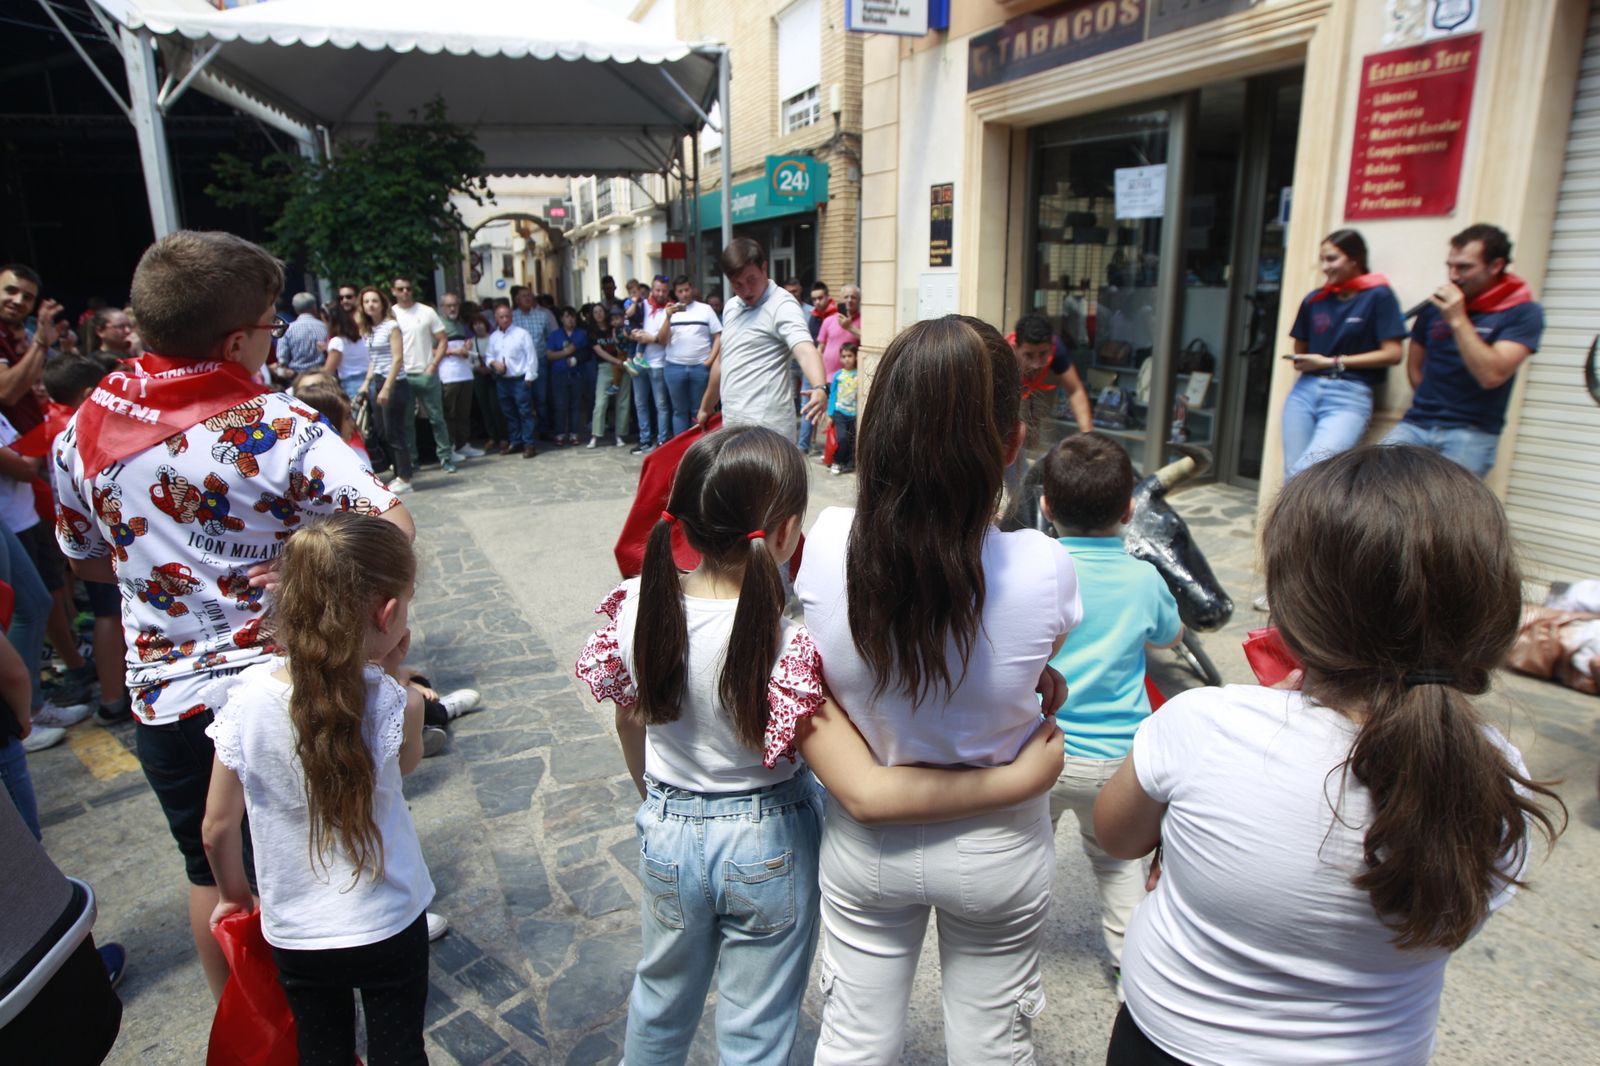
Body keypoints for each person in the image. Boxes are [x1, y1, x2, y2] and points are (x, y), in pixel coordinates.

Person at [577, 425, 1066, 1065]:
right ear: (784, 534)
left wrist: (661, 801)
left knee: (659, 999)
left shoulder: (633, 607)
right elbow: (853, 754)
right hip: (765, 844)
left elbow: (628, 722)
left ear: (685, 520)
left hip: (668, 830)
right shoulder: (787, 648)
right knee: (757, 1025)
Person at [1093, 444, 1565, 1065]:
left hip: (1172, 1042)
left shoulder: (1206, 724)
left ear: (1293, 606)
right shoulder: (1493, 773)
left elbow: (1117, 835)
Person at [51, 230, 414, 1001]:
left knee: (208, 869)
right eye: (270, 326)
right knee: (322, 856)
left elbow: (84, 560)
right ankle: (327, 1019)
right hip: (288, 687)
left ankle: (245, 1026)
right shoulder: (276, 426)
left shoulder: (82, 428)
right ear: (237, 337)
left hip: (165, 695)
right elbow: (390, 528)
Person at [794, 315, 1083, 1063]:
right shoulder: (1048, 567)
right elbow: (1028, 654)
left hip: (868, 844)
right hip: (998, 845)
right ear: (1013, 446)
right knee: (992, 1047)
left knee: (854, 1041)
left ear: (876, 435)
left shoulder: (824, 541)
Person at [202, 513, 433, 1064]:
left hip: (297, 931)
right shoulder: (400, 702)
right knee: (400, 1050)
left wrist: (234, 896)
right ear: (390, 612)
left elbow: (215, 828)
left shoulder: (246, 703)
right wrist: (395, 673)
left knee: (321, 1050)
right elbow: (404, 768)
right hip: (390, 921)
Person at [1032, 432, 1182, 1000]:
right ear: (1128, 510)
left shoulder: (1038, 571)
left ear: (1045, 506)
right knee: (1121, 871)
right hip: (1118, 765)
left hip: (1042, 752)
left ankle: (1013, 958)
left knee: (1023, 859)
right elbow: (1171, 636)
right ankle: (1130, 975)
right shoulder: (1144, 579)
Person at [1380, 223, 1544, 478]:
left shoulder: (1523, 312)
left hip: (1470, 432)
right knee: (1369, 485)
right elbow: (1415, 367)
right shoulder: (1435, 308)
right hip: (1417, 423)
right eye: (1450, 266)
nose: (1454, 276)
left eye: (1465, 267)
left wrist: (1458, 319)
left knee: (1447, 514)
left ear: (1496, 265)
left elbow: (1491, 375)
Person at [1280, 229, 1406, 480]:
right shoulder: (1315, 300)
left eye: (1332, 259)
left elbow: (1393, 353)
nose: (1325, 267)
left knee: (1310, 474)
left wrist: (1332, 362)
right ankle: (1288, 521)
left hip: (1349, 394)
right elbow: (1300, 348)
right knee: (1292, 475)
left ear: (1354, 259)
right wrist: (1306, 362)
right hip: (1304, 393)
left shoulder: (1378, 295)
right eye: (1323, 259)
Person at [697, 240, 829, 440]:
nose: (746, 290)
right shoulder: (732, 307)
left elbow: (804, 349)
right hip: (733, 426)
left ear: (764, 267)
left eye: (752, 279)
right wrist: (706, 408)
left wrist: (820, 386)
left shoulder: (782, 305)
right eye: (737, 284)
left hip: (769, 432)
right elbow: (723, 361)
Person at [389, 277, 456, 474]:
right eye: (400, 289)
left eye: (408, 288)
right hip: (403, 374)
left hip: (426, 372)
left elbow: (442, 339)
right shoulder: (391, 315)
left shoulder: (426, 311)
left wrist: (434, 365)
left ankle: (445, 457)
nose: (405, 292)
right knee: (407, 421)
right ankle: (412, 460)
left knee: (437, 417)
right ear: (393, 291)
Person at [356, 285, 415, 494]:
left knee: (394, 431)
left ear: (382, 304)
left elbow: (397, 358)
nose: (370, 305)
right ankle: (397, 469)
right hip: (379, 381)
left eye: (374, 301)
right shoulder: (369, 330)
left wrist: (387, 388)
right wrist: (366, 383)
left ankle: (405, 477)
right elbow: (374, 360)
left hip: (395, 383)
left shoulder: (391, 326)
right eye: (366, 301)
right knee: (381, 431)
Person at [660, 275, 721, 438]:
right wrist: (667, 317)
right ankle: (680, 452)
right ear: (676, 293)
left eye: (687, 289)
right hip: (674, 366)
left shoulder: (705, 309)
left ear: (692, 288)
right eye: (680, 291)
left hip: (699, 367)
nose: (684, 294)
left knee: (699, 410)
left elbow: (718, 336)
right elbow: (662, 340)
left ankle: (697, 449)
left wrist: (709, 361)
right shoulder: (669, 311)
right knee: (679, 411)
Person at [0, 263, 58, 434]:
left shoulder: (17, 338)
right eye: (11, 290)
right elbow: (6, 392)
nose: (18, 301)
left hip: (31, 442)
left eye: (27, 297)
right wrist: (40, 344)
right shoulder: (35, 342)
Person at [630, 276, 675, 453]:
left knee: (661, 405)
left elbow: (669, 338)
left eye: (664, 290)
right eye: (657, 290)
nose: (661, 294)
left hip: (660, 363)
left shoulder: (671, 309)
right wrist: (632, 334)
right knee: (640, 403)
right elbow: (628, 323)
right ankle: (645, 440)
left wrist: (652, 338)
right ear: (651, 290)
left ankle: (663, 441)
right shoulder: (643, 306)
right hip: (639, 361)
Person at [487, 303, 538, 458]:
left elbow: (531, 357)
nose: (505, 319)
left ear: (512, 316)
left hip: (519, 379)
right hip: (503, 380)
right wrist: (494, 363)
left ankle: (529, 444)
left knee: (525, 412)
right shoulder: (494, 337)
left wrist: (530, 376)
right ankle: (515, 441)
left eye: (507, 316)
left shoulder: (522, 334)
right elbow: (488, 355)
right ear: (496, 318)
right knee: (509, 413)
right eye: (501, 317)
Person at [438, 293, 483, 461]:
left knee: (464, 413)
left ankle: (463, 444)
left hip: (464, 372)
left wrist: (466, 347)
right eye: (449, 305)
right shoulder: (438, 325)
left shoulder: (460, 324)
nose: (452, 308)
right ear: (442, 307)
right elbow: (431, 350)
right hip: (448, 375)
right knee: (449, 413)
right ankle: (449, 448)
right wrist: (452, 351)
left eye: (455, 305)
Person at [587, 301, 631, 449]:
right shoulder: (592, 332)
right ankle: (595, 435)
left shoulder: (615, 327)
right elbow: (599, 351)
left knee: (623, 401)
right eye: (595, 312)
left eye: (601, 311)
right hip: (605, 367)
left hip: (623, 365)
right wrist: (617, 362)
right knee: (600, 402)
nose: (599, 314)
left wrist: (623, 361)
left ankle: (619, 434)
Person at [546, 306, 587, 446]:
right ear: (561, 319)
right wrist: (565, 353)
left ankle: (574, 433)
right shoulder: (555, 335)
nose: (570, 319)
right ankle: (560, 433)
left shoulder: (581, 334)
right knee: (560, 405)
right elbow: (549, 354)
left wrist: (574, 356)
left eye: (573, 317)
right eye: (567, 316)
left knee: (575, 405)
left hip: (577, 374)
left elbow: (586, 352)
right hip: (559, 374)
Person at [468, 310, 507, 454]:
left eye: (481, 324)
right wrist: (478, 368)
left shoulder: (493, 339)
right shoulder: (472, 342)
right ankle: (492, 436)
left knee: (496, 406)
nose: (478, 327)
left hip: (494, 375)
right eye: (475, 324)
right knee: (485, 407)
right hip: (479, 375)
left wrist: (492, 368)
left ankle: (503, 436)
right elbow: (470, 361)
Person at [278, 292, 328, 383]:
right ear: (314, 307)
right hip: (322, 376)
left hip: (297, 379)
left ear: (295, 309)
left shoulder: (288, 330)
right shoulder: (325, 327)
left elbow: (282, 359)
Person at [322, 304, 369, 400]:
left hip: (351, 384)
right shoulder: (361, 337)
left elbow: (328, 370)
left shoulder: (337, 342)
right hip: (368, 381)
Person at [827, 342, 860, 475]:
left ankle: (849, 463)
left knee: (852, 440)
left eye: (850, 356)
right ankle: (837, 461)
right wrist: (830, 413)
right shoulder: (838, 375)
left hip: (854, 413)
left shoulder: (859, 374)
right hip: (839, 412)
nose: (846, 359)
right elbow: (833, 394)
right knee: (842, 438)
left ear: (856, 357)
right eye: (844, 356)